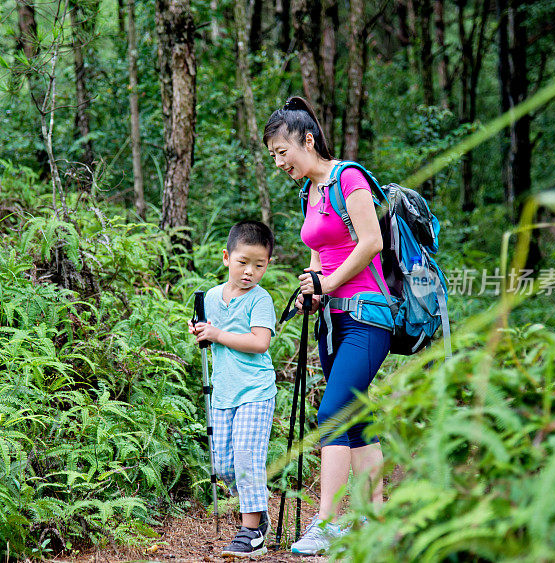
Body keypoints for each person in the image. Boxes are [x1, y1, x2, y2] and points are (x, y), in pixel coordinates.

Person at [262, 96, 391, 555]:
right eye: (273, 155)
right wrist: (313, 289)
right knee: (355, 419)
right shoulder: (310, 194)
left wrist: (331, 281)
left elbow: (371, 240)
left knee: (331, 414)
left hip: (368, 315)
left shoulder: (348, 177)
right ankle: (376, 519)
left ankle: (328, 522)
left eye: (282, 151)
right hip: (333, 319)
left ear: (307, 140)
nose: (278, 162)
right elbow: (317, 255)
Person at [188, 220, 278, 558]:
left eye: (259, 265)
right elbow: (208, 333)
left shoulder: (261, 300)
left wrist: (216, 335)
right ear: (227, 257)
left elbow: (259, 342)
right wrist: (200, 329)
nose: (249, 272)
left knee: (246, 458)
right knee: (224, 464)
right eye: (243, 263)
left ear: (267, 265)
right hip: (223, 392)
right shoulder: (211, 297)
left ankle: (251, 531)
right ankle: (259, 515)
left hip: (255, 391)